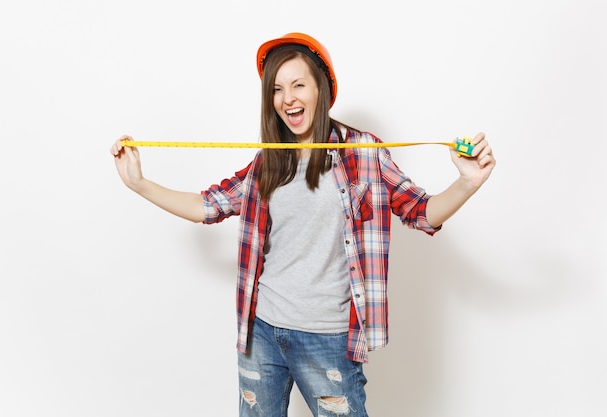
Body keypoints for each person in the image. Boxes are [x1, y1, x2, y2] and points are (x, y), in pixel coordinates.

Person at [110, 32, 495, 417]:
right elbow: (206, 207)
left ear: (321, 89)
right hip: (261, 331)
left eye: (298, 85)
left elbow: (421, 211)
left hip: (328, 338)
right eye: (277, 89)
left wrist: (467, 183)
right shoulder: (268, 162)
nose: (287, 98)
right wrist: (138, 183)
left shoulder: (364, 152)